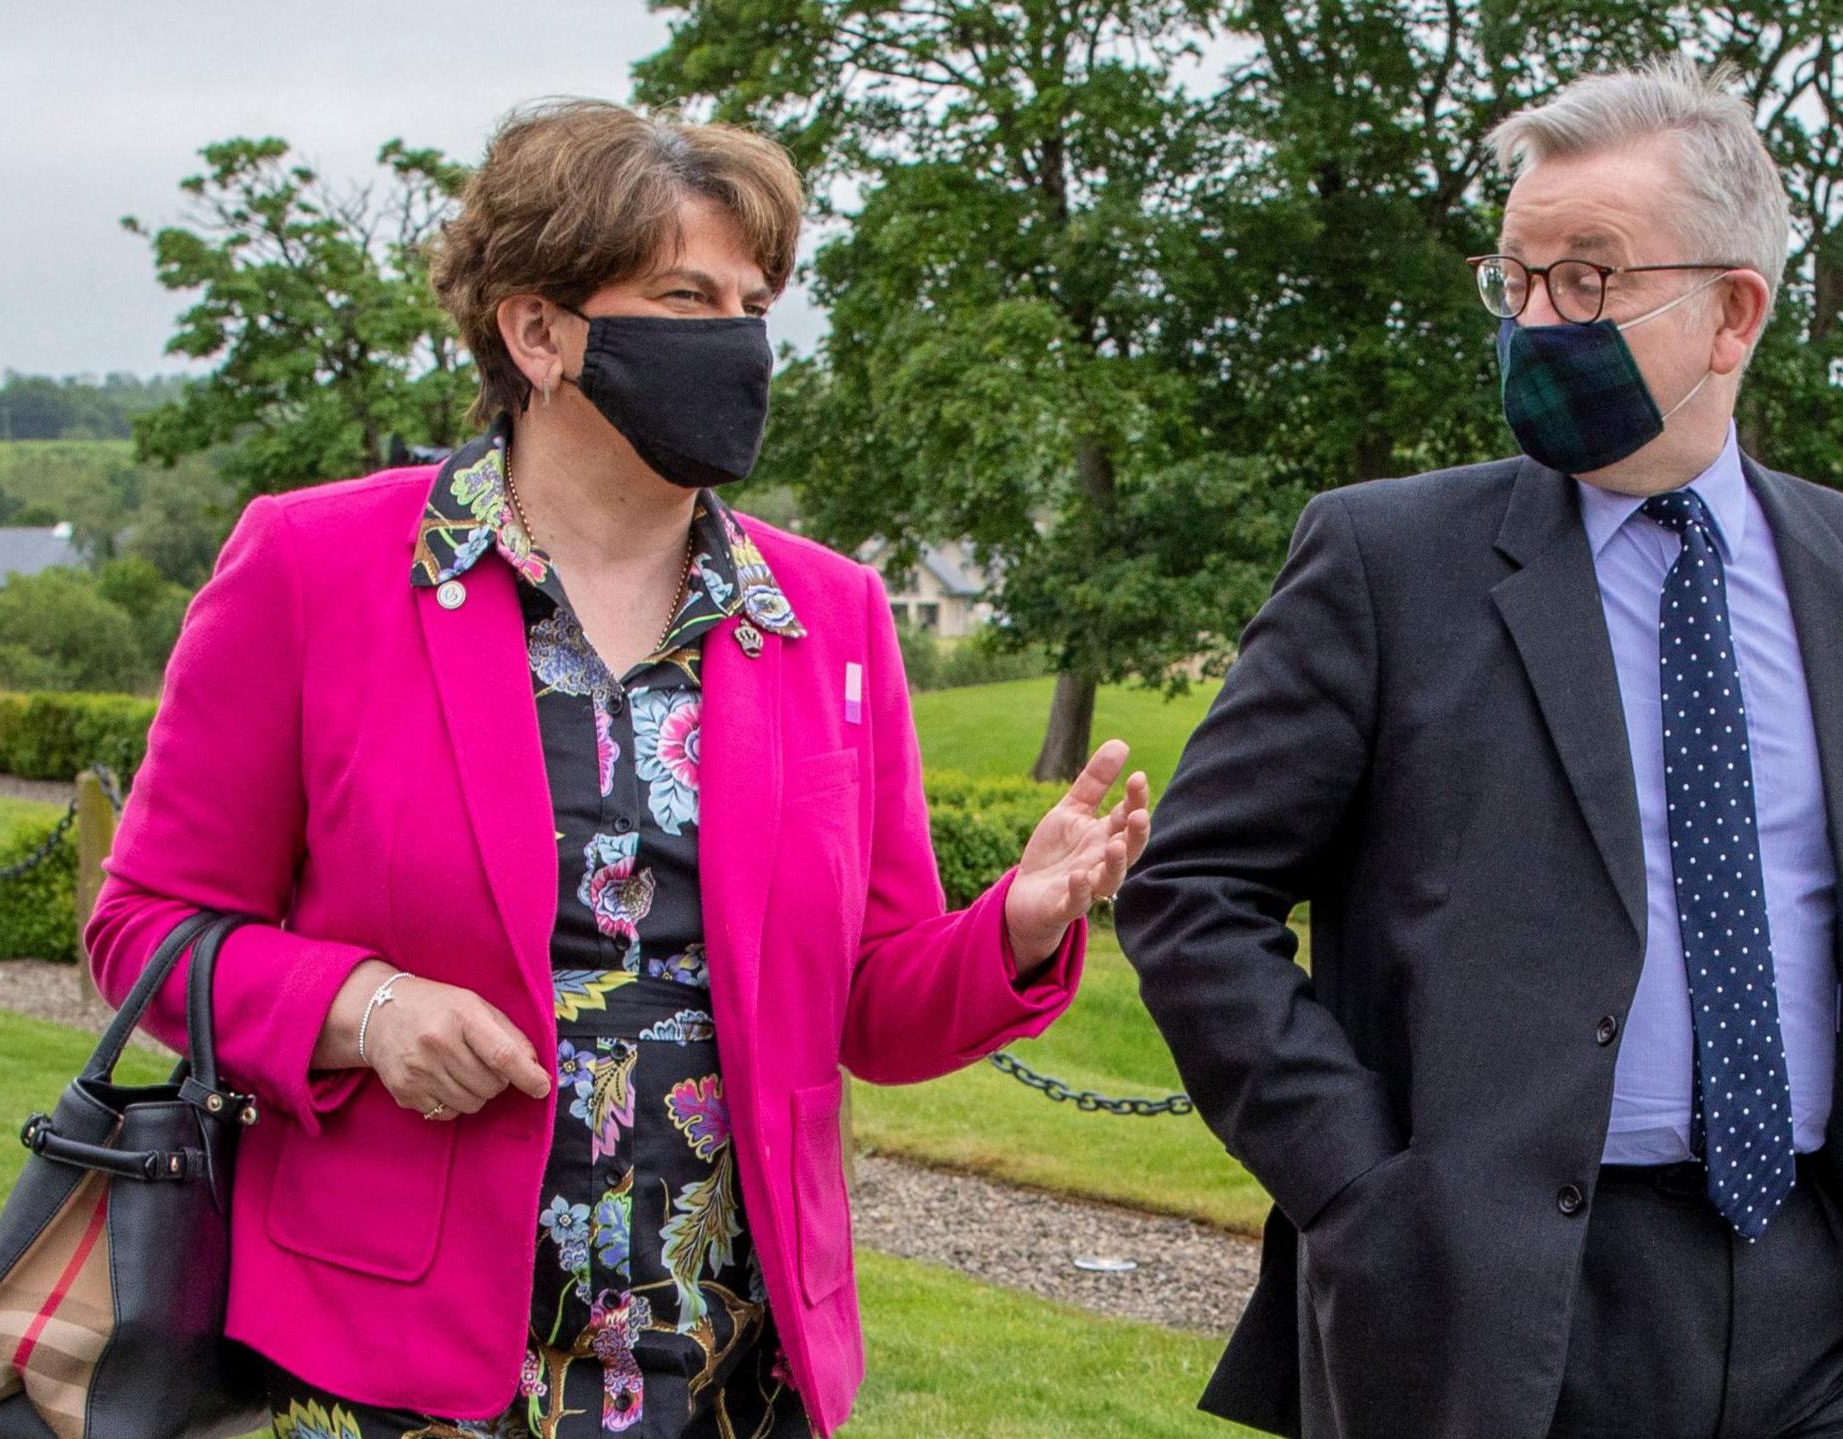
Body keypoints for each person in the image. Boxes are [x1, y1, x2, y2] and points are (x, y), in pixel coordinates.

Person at [84, 98, 1149, 1439]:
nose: (741, 343)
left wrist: (1018, 924)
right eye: (687, 299)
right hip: (401, 1353)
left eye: (754, 302)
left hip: (727, 1356)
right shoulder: (313, 569)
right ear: (538, 332)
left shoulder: (828, 616)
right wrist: (364, 1011)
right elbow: (145, 929)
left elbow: (869, 1006)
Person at [1114, 59, 1843, 1439]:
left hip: (1822, 1292)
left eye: (1589, 277)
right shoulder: (1388, 562)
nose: (1535, 318)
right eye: (1514, 276)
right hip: (1500, 1299)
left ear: (1733, 311)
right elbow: (1191, 895)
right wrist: (1361, 1187)